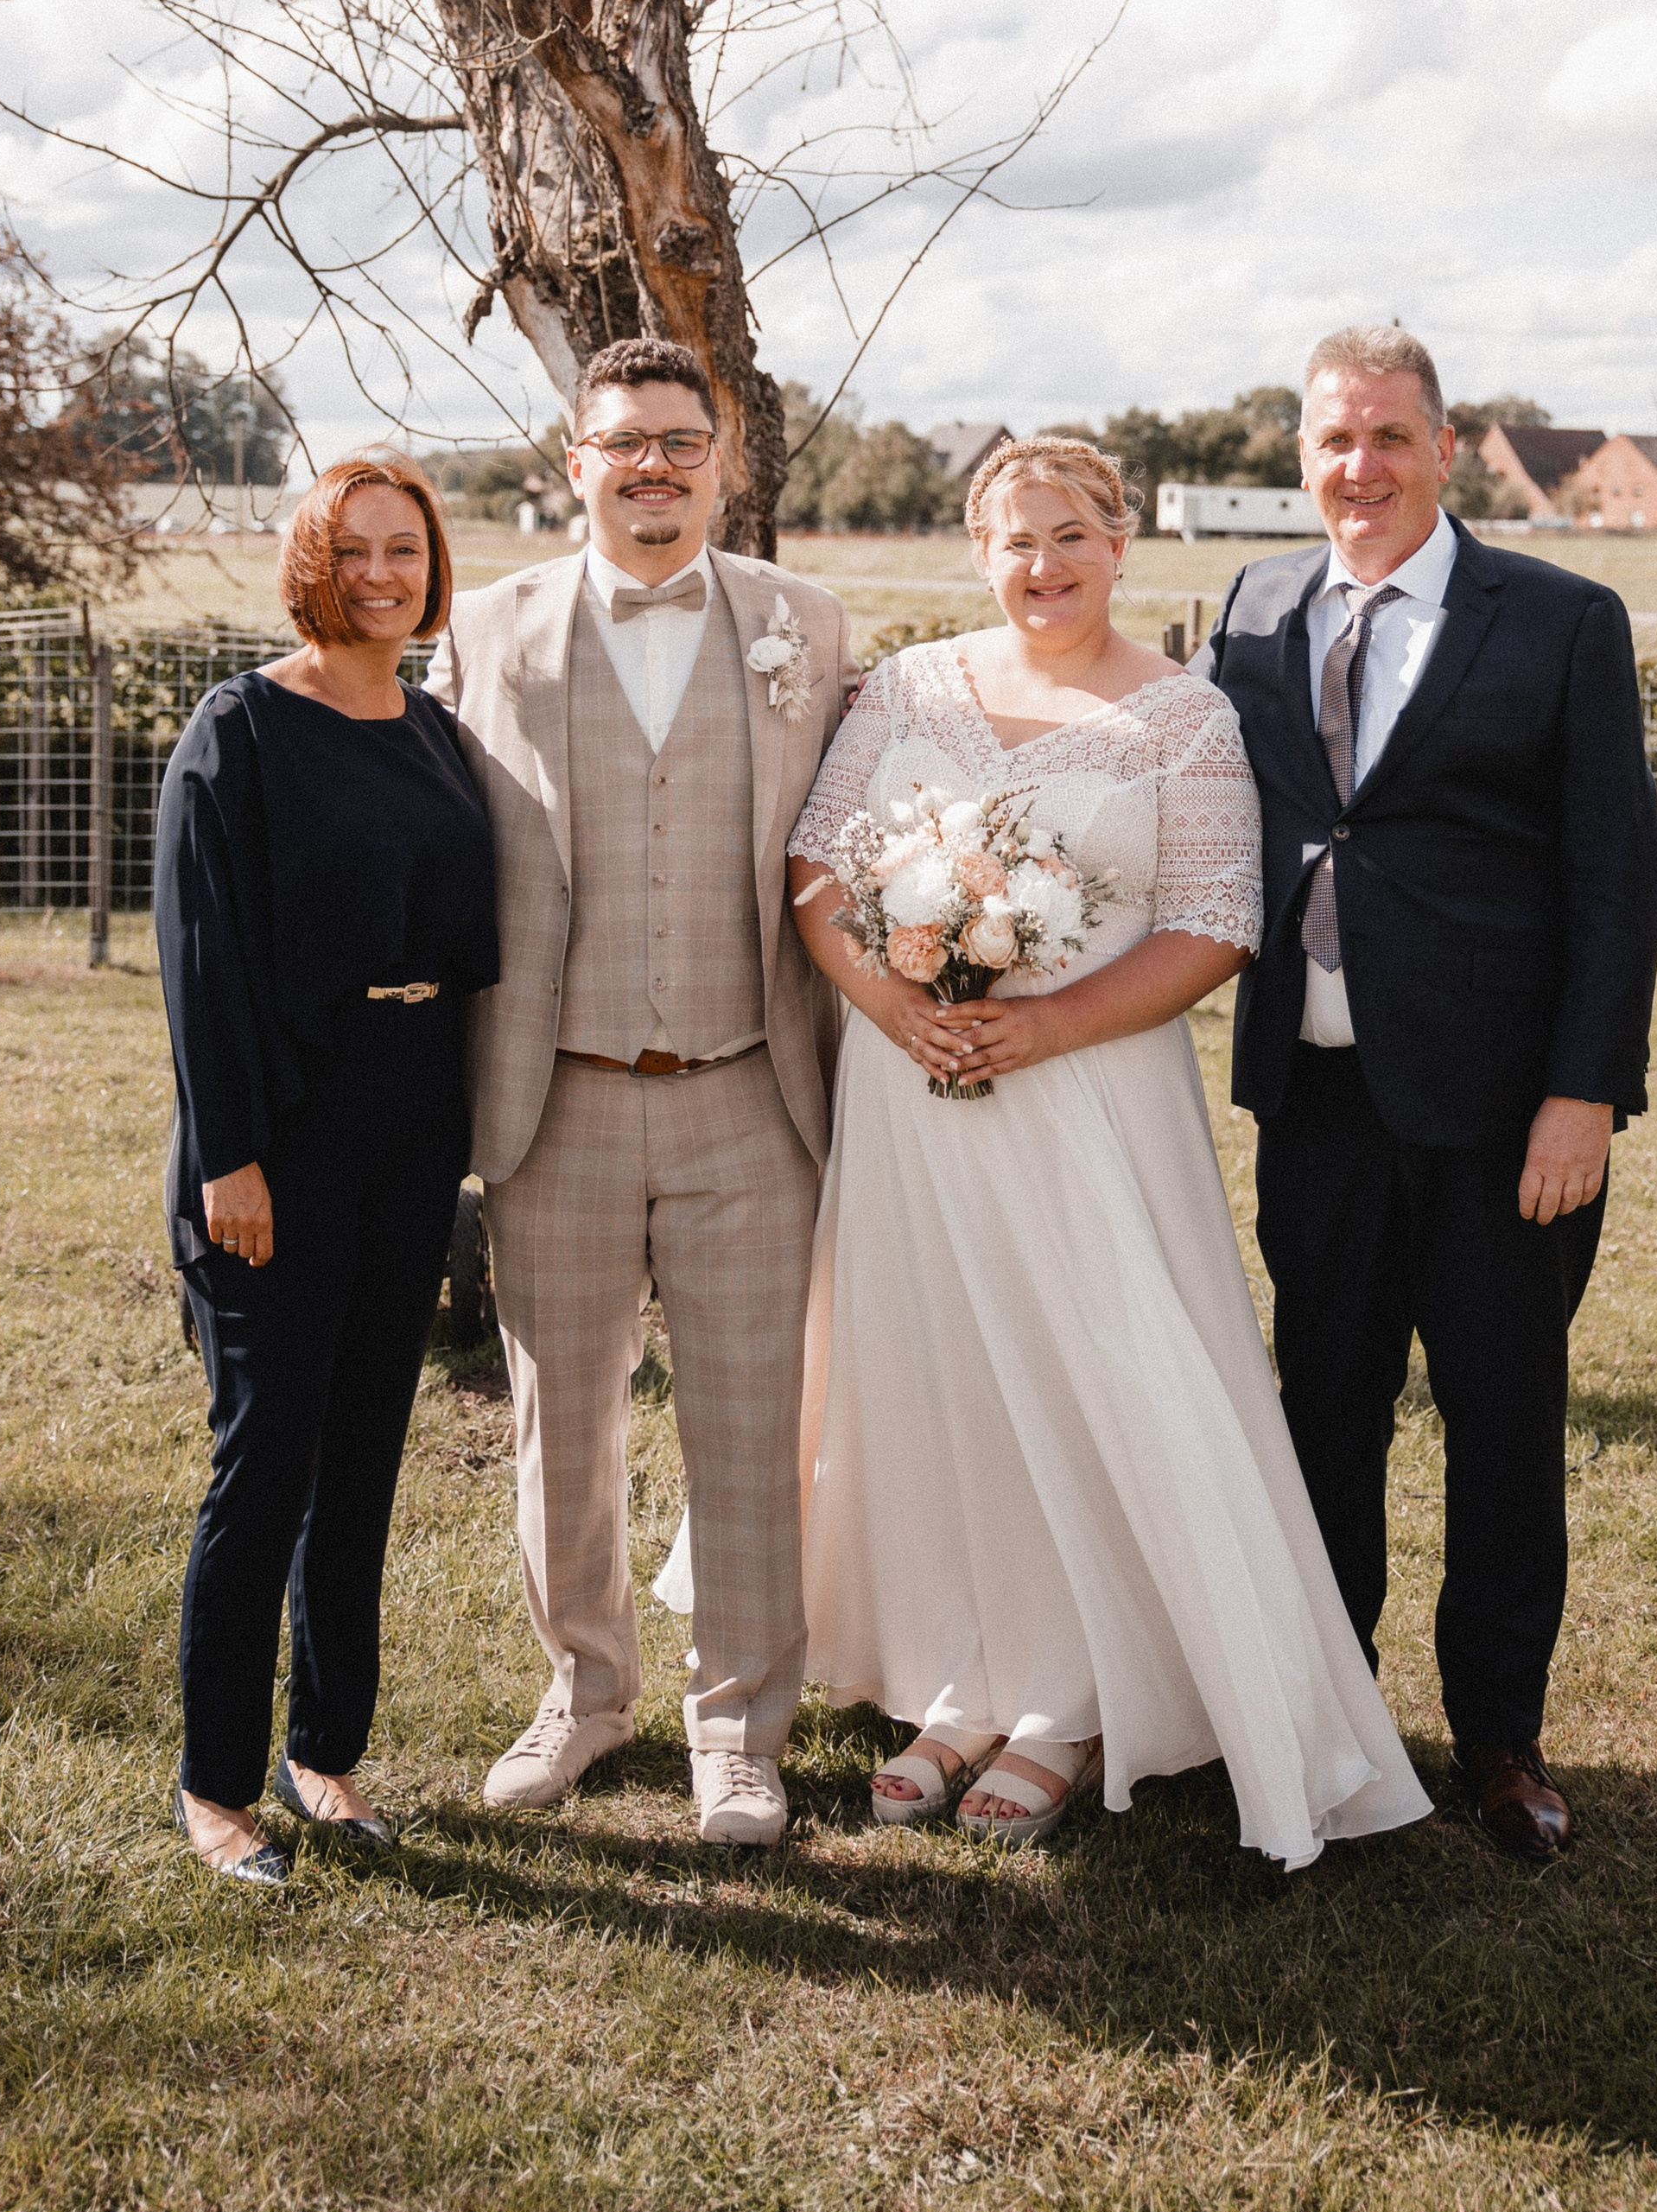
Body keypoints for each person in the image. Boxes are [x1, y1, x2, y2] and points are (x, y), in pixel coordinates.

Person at [785, 436, 1432, 1861]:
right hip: (910, 1091)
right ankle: (959, 1683)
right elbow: (821, 864)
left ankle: (1073, 1702)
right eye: (1015, 539)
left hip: (1087, 1099)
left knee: (1093, 1372)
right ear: (976, 550)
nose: (1044, 563)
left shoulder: (1182, 719)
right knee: (939, 1370)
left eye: (1072, 534)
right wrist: (898, 1001)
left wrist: (1042, 1024)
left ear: (1122, 542)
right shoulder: (906, 686)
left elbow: (1216, 925)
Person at [1203, 325, 1657, 1863]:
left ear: (1447, 446)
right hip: (1318, 1101)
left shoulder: (1560, 621)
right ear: (1302, 454)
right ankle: (1332, 1722)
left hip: (1499, 1122)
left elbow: (1617, 882)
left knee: (1501, 1423)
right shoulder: (1257, 604)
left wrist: (1582, 1096)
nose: (1361, 466)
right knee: (1321, 1416)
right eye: (1335, 439)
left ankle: (1499, 1739)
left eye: (1391, 436)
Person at [427, 338, 854, 1848]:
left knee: (750, 1423)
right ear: (577, 461)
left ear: (724, 460)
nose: (654, 465)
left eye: (682, 440)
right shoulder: (487, 628)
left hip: (753, 1087)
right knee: (564, 1422)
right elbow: (425, 842)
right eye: (625, 443)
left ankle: (739, 1725)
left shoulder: (806, 621)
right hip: (557, 1089)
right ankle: (584, 1693)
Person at [156, 453, 498, 1885]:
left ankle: (328, 1756)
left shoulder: (435, 731)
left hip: (410, 1136)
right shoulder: (241, 727)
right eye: (353, 549)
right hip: (278, 1144)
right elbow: (200, 960)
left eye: (405, 550)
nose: (381, 573)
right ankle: (218, 1785)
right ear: (312, 563)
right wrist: (229, 1157)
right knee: (265, 1464)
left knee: (363, 1456)